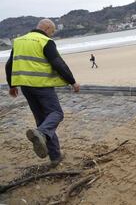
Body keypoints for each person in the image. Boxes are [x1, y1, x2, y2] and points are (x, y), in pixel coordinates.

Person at [5, 19, 80, 167]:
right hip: (42, 86)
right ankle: (42, 134)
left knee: (42, 120)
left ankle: (55, 156)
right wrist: (72, 81)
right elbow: (58, 63)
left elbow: (9, 65)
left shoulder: (19, 41)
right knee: (56, 114)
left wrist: (12, 85)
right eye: (52, 32)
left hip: (26, 87)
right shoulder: (45, 41)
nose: (51, 35)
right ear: (46, 28)